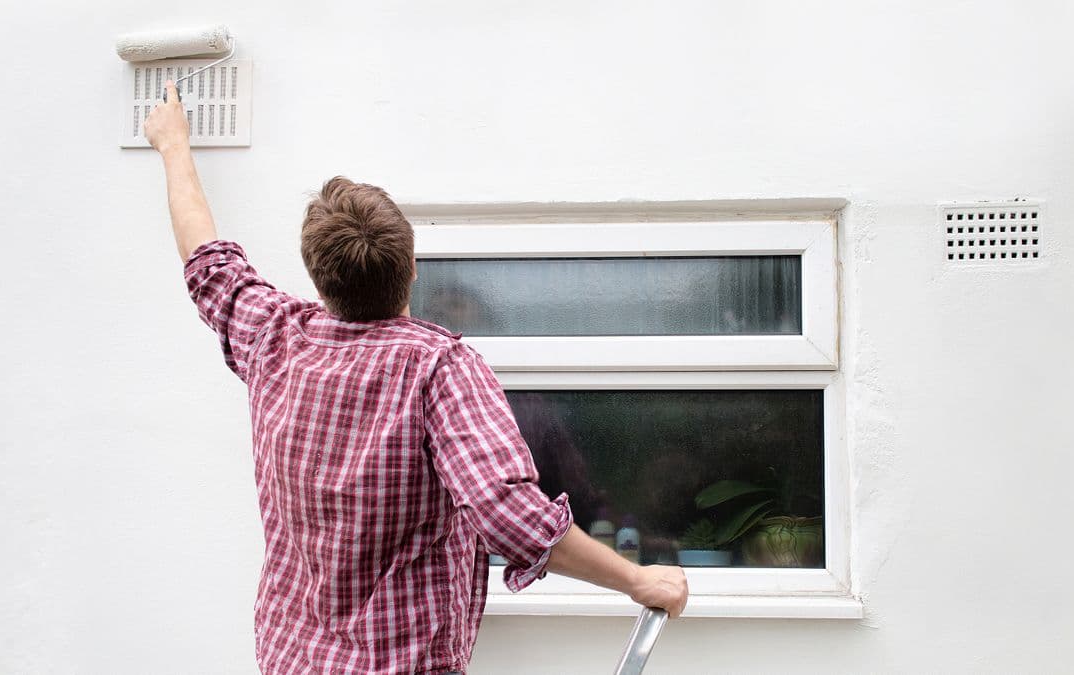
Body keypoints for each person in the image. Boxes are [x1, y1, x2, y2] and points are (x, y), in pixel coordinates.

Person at [143, 81, 688, 674]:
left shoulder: (275, 338)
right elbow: (508, 516)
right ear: (411, 270)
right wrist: (637, 580)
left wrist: (174, 146)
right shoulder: (438, 367)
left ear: (319, 281)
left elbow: (209, 261)